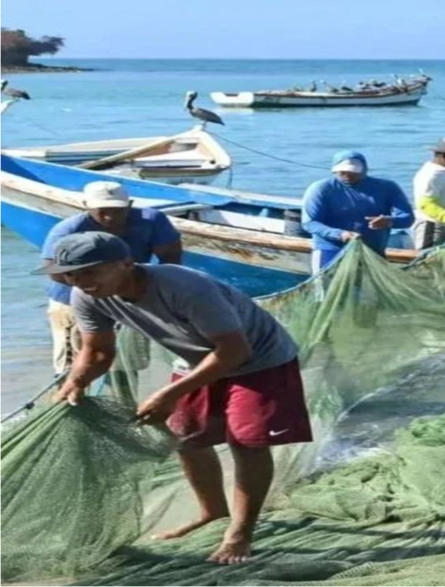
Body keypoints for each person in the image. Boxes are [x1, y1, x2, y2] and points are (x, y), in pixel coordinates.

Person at [41, 232, 311, 565]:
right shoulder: (86, 296)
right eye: (72, 274)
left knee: (247, 441)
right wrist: (75, 383)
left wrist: (169, 394)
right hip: (194, 358)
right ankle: (212, 513)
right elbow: (96, 351)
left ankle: (240, 533)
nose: (81, 282)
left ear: (127, 263)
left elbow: (234, 350)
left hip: (258, 357)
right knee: (186, 437)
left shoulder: (185, 287)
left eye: (91, 271)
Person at [40, 181, 182, 375]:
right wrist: (98, 290)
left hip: (128, 296)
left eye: (118, 210)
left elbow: (170, 256)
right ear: (86, 206)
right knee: (76, 361)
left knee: (126, 361)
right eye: (102, 211)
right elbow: (53, 270)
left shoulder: (152, 220)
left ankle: (122, 398)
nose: (110, 217)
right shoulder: (68, 230)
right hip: (73, 296)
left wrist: (151, 291)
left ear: (130, 205)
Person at [301, 150, 413, 271]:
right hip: (331, 250)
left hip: (372, 251)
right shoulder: (322, 188)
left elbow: (407, 218)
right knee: (326, 288)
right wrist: (340, 234)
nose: (348, 175)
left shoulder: (387, 188)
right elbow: (310, 223)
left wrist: (389, 221)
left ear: (365, 169)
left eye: (353, 172)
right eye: (343, 171)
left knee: (369, 289)